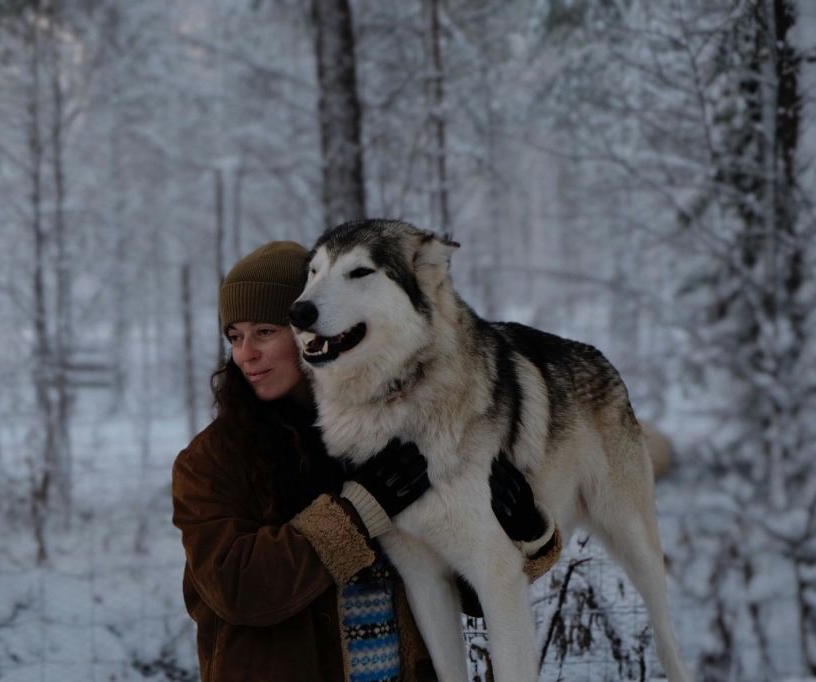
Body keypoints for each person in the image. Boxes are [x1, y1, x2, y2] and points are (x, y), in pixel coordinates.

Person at [172, 240, 562, 682]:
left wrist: (525, 533)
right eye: (234, 337)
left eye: (265, 332)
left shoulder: (388, 435)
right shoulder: (211, 459)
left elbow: (461, 590)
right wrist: (354, 515)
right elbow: (237, 587)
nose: (246, 354)